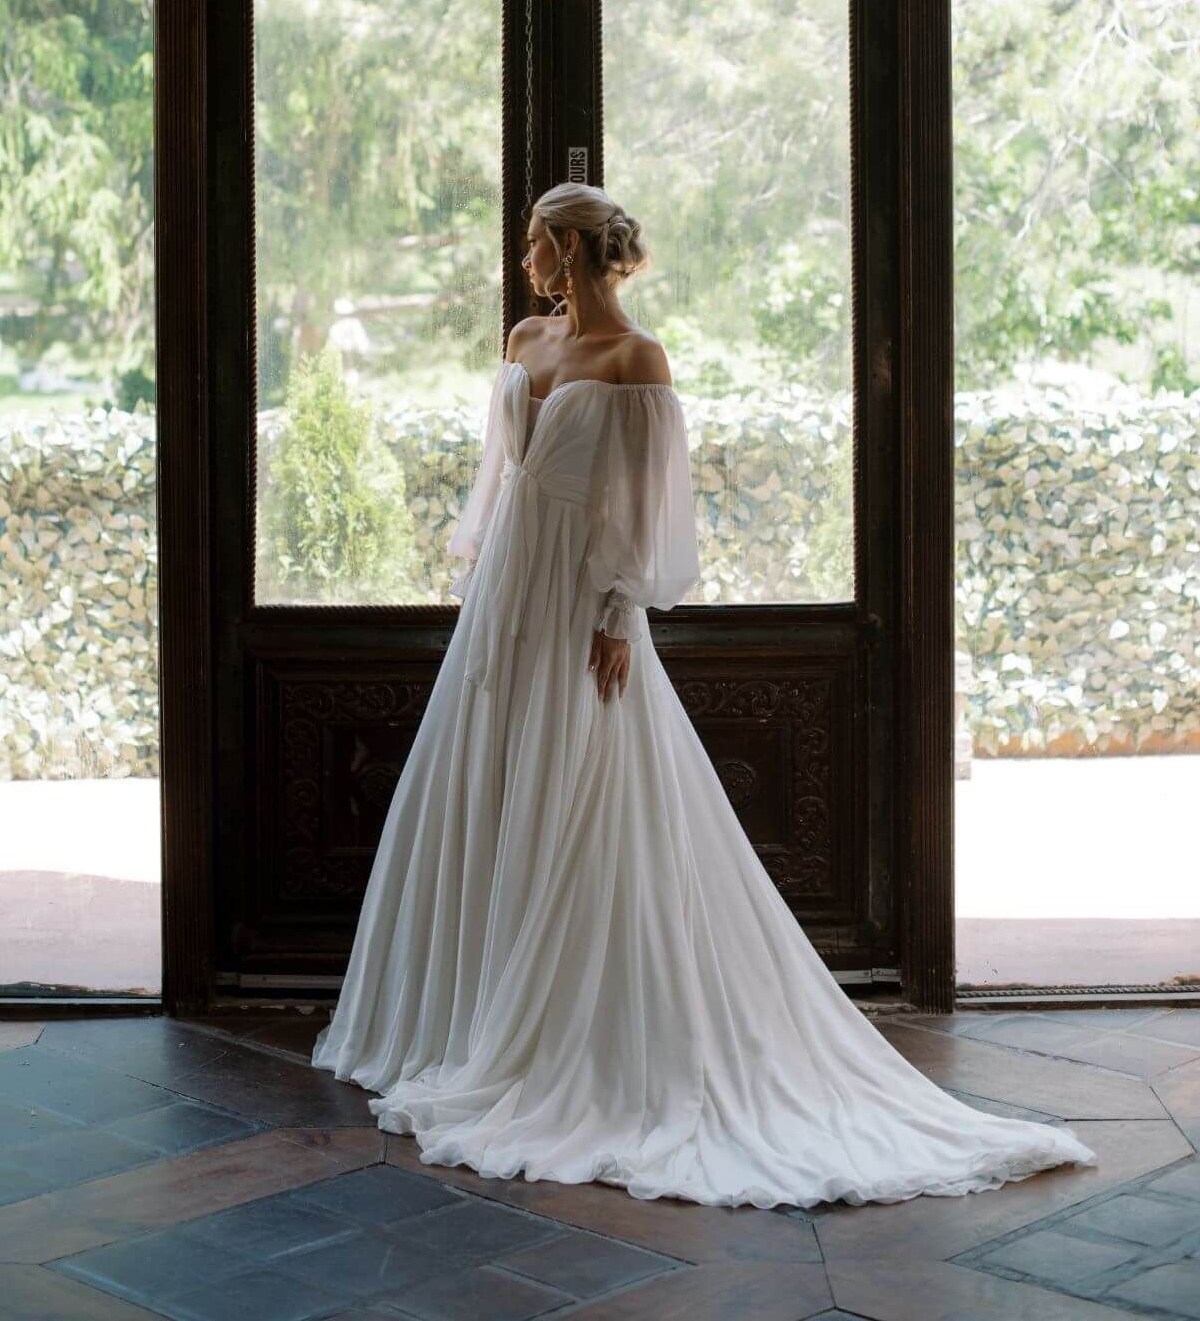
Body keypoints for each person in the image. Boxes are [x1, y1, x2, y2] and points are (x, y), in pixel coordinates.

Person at [311, 183, 1096, 1209]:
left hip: (579, 603)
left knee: (578, 793)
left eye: (534, 244)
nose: (524, 262)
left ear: (563, 246)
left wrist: (616, 613)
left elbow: (642, 505)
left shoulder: (638, 361)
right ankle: (467, 1017)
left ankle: (577, 1031)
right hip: (505, 590)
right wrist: (472, 561)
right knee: (480, 781)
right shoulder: (523, 339)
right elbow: (498, 474)